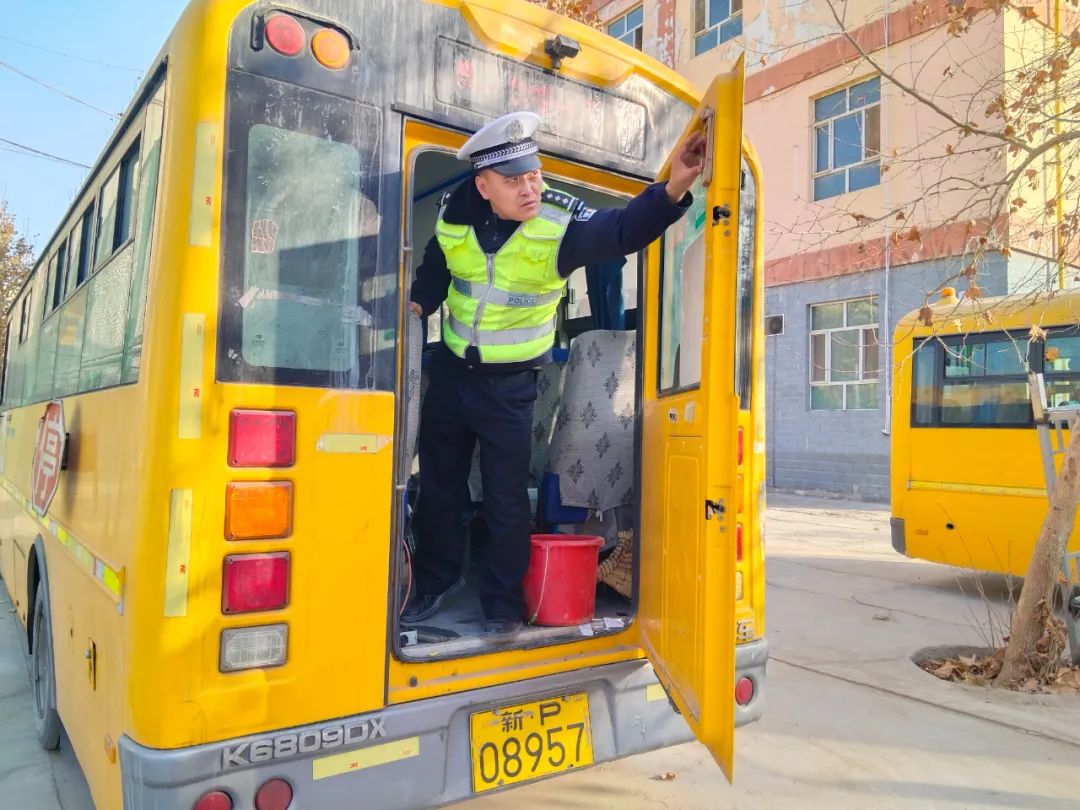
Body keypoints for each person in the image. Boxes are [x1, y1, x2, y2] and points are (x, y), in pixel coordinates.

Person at [405, 110, 705, 638]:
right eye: (514, 179)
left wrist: (674, 186)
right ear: (483, 184)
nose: (530, 188)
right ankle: (434, 582)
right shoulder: (455, 213)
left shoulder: (559, 225)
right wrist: (416, 304)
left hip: (511, 388)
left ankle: (501, 607)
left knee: (503, 498)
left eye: (534, 174)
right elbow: (438, 263)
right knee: (438, 486)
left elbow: (621, 231)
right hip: (452, 377)